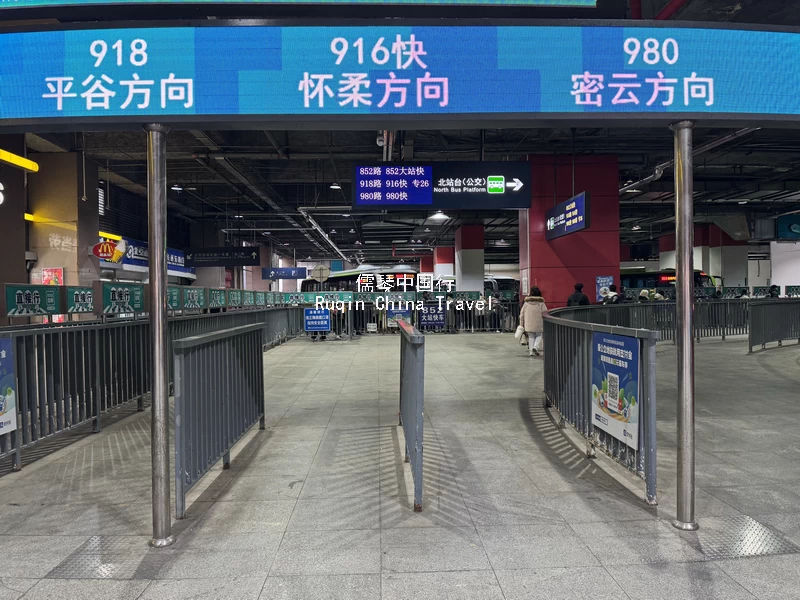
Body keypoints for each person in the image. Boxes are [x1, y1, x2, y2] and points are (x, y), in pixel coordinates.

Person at [519, 286, 547, 357]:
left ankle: (531, 352)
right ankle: (535, 347)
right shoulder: (541, 303)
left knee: (531, 337)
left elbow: (521, 314)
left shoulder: (526, 303)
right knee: (539, 335)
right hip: (539, 323)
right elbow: (545, 313)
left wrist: (521, 324)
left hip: (528, 323)